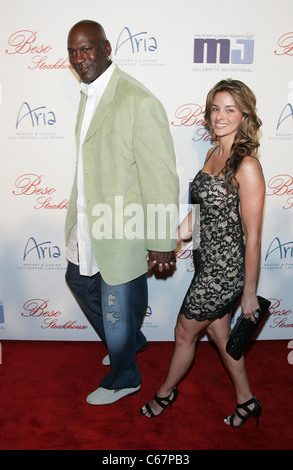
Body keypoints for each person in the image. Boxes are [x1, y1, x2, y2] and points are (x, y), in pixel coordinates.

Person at [65, 20, 179, 405]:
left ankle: (125, 375)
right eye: (73, 51)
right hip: (90, 220)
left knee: (116, 304)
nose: (80, 58)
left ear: (107, 48)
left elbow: (160, 176)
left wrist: (162, 239)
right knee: (79, 280)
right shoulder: (89, 94)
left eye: (87, 49)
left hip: (122, 227)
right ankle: (132, 340)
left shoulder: (137, 100)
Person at [140, 79, 265, 428]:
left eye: (230, 109)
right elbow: (200, 214)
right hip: (205, 263)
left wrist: (249, 293)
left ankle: (165, 393)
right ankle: (247, 402)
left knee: (184, 333)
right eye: (215, 108)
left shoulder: (248, 166)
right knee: (220, 335)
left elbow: (252, 237)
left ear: (244, 115)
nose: (220, 116)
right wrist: (169, 239)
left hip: (224, 273)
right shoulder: (213, 154)